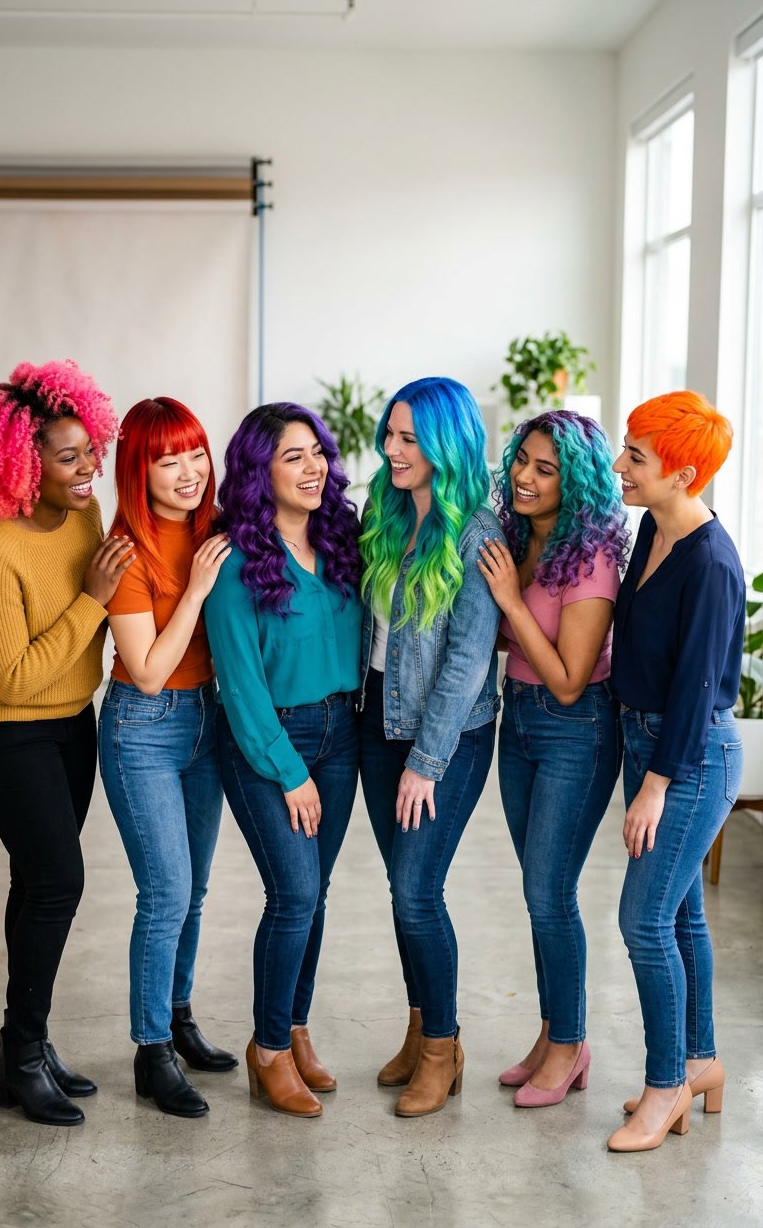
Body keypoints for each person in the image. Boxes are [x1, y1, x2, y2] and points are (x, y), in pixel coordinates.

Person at [0, 359, 132, 1127]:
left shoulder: (83, 514)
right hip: (1, 730)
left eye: (90, 449)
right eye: (69, 457)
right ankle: (22, 1053)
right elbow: (16, 678)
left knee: (36, 880)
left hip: (69, 722)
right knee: (59, 880)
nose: (91, 466)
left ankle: (25, 1046)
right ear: (23, 464)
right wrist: (93, 602)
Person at [204, 403, 361, 1119]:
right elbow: (238, 685)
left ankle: (294, 1029)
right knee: (293, 894)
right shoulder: (238, 560)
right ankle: (266, 1048)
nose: (313, 467)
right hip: (271, 743)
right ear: (258, 470)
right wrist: (289, 771)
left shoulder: (340, 541)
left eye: (317, 452)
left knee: (315, 895)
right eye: (293, 455)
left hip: (341, 734)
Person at [358, 376, 504, 1118]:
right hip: (377, 727)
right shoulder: (383, 514)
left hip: (446, 738)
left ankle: (443, 1048)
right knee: (402, 891)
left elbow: (468, 663)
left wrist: (426, 762)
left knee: (418, 892)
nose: (392, 450)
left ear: (446, 443)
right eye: (390, 434)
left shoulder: (477, 532)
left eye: (409, 438)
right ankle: (420, 1029)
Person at [477, 411, 628, 1107]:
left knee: (549, 894)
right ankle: (553, 1034)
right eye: (522, 462)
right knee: (541, 898)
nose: (526, 478)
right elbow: (514, 646)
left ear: (578, 481)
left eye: (547, 469)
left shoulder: (591, 553)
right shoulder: (519, 536)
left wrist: (507, 597)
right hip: (522, 723)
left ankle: (568, 1046)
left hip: (576, 728)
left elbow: (569, 677)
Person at [607, 390, 744, 1153]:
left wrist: (656, 785)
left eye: (637, 457)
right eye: (627, 448)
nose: (621, 466)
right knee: (681, 916)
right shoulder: (650, 530)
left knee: (644, 920)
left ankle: (665, 1089)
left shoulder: (713, 562)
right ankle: (701, 1064)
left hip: (688, 758)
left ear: (683, 473)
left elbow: (696, 685)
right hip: (648, 743)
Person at [97, 398, 236, 1119]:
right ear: (137, 471)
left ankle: (179, 1019)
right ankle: (151, 1051)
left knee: (197, 888)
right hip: (143, 728)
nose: (187, 472)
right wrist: (200, 589)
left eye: (194, 453)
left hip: (206, 725)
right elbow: (147, 668)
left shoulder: (214, 528)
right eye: (166, 460)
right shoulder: (126, 549)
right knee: (166, 892)